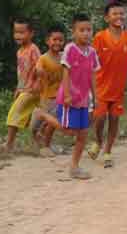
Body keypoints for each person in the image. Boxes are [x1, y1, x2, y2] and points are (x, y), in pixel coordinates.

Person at [35, 14, 100, 179]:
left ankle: (74, 167)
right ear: (74, 32)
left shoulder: (92, 52)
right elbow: (66, 72)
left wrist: (95, 95)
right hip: (69, 98)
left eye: (88, 30)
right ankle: (42, 114)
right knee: (70, 131)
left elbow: (92, 75)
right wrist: (68, 95)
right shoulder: (70, 49)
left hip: (84, 99)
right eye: (82, 30)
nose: (86, 33)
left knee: (83, 133)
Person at [90, 2, 127, 168]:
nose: (119, 16)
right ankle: (97, 141)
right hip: (101, 87)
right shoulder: (99, 37)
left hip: (118, 88)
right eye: (115, 14)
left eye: (121, 13)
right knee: (100, 118)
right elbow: (91, 61)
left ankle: (108, 152)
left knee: (114, 119)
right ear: (106, 18)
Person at [4, 18, 42, 152]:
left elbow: (40, 68)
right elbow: (21, 73)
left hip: (33, 90)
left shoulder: (33, 49)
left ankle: (9, 144)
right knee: (32, 118)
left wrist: (38, 83)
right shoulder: (19, 52)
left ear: (31, 33)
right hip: (25, 89)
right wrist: (18, 88)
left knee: (14, 113)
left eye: (22, 32)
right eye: (16, 32)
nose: (18, 35)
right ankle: (40, 143)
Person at [32, 25, 66, 156]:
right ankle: (40, 142)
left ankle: (46, 145)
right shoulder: (43, 58)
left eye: (60, 40)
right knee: (41, 125)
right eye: (54, 39)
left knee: (53, 123)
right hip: (47, 97)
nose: (57, 42)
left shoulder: (64, 57)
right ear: (48, 41)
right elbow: (38, 68)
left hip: (61, 96)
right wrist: (39, 71)